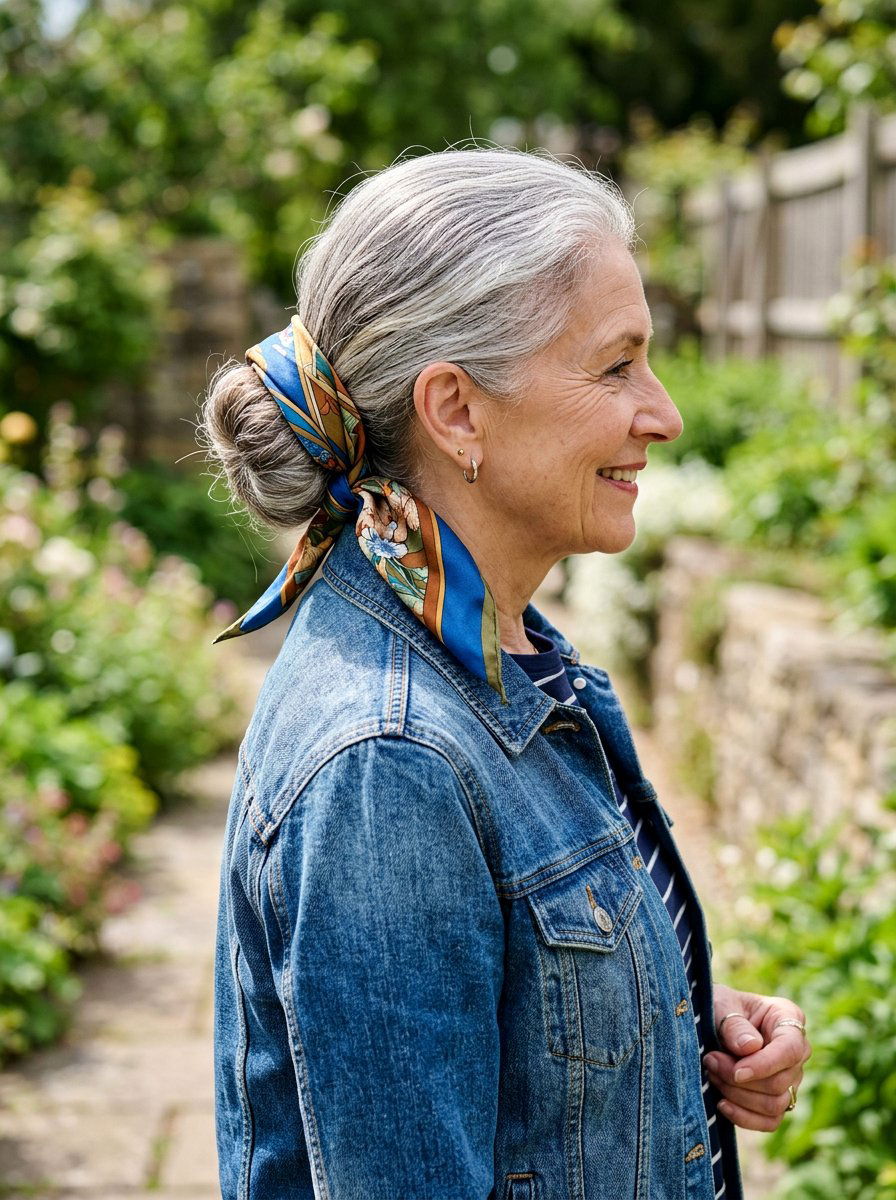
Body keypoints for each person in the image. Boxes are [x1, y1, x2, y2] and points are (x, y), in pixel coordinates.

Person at [201, 146, 811, 1200]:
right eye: (615, 365)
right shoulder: (388, 762)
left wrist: (666, 1012)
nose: (661, 413)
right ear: (456, 411)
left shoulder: (504, 647)